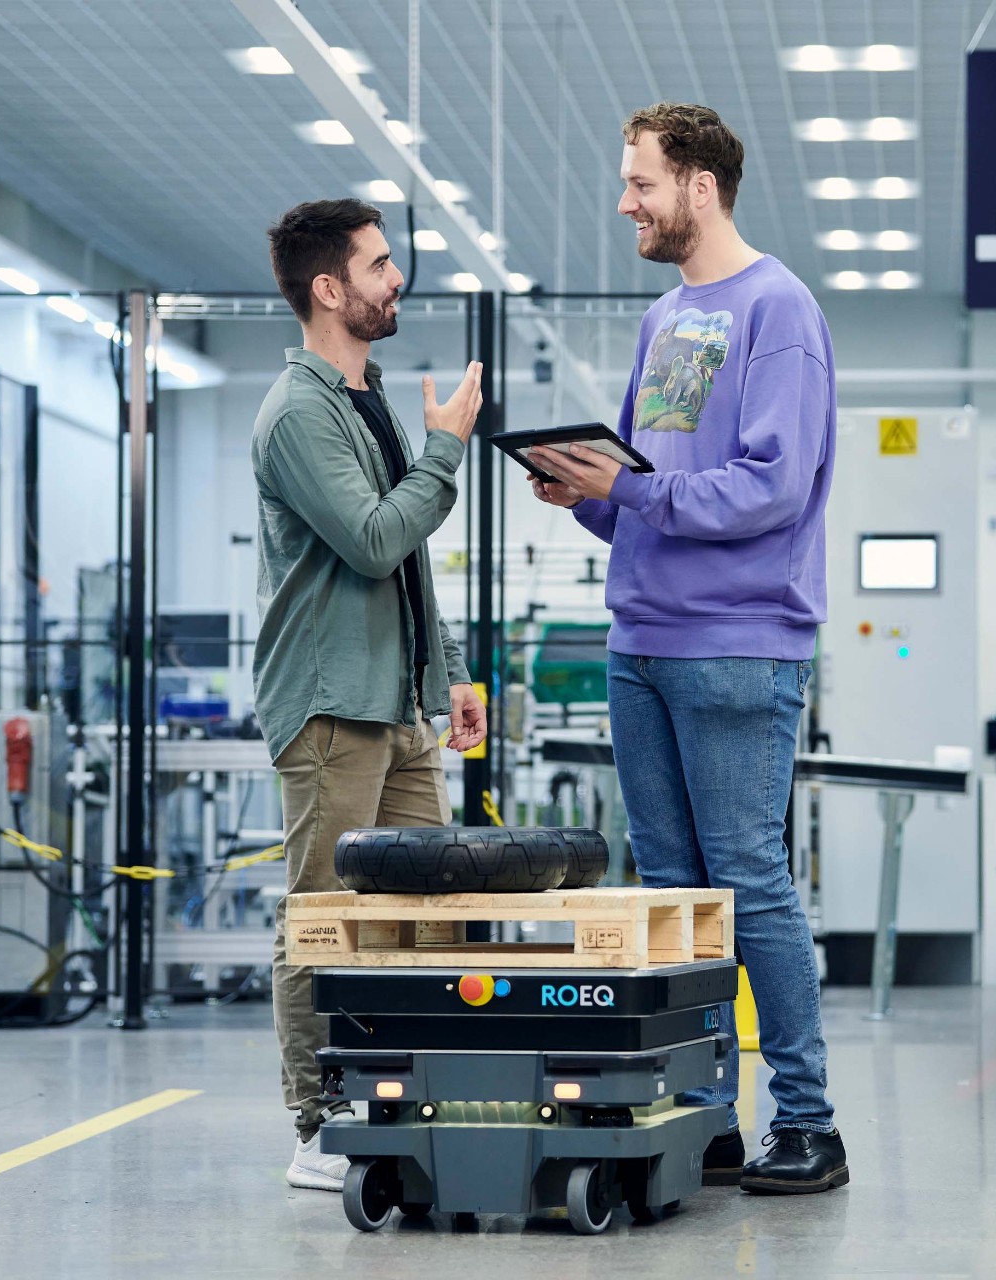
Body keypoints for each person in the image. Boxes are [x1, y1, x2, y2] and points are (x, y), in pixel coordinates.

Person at [527, 103, 846, 1195]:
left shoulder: (777, 310)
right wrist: (587, 489)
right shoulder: (668, 319)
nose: (626, 201)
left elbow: (771, 483)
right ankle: (707, 1111)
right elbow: (645, 488)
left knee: (749, 882)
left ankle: (805, 1121)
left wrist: (640, 489)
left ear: (698, 186)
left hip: (736, 644)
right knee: (673, 889)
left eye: (640, 183)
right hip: (641, 638)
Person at [252, 198, 487, 1191]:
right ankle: (316, 1122)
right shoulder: (299, 413)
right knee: (320, 915)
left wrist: (450, 670)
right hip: (326, 706)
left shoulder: (364, 397)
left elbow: (406, 567)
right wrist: (445, 451)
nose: (397, 280)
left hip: (395, 703)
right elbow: (375, 536)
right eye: (380, 264)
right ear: (328, 288)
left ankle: (400, 1096)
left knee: (423, 914)